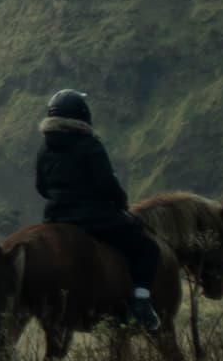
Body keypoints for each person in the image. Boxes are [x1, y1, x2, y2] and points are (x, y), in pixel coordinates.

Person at [34, 89, 164, 331]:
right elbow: (107, 184)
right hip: (94, 220)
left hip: (56, 219)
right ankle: (141, 303)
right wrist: (121, 202)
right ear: (82, 114)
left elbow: (41, 187)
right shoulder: (89, 145)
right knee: (147, 248)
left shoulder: (45, 148)